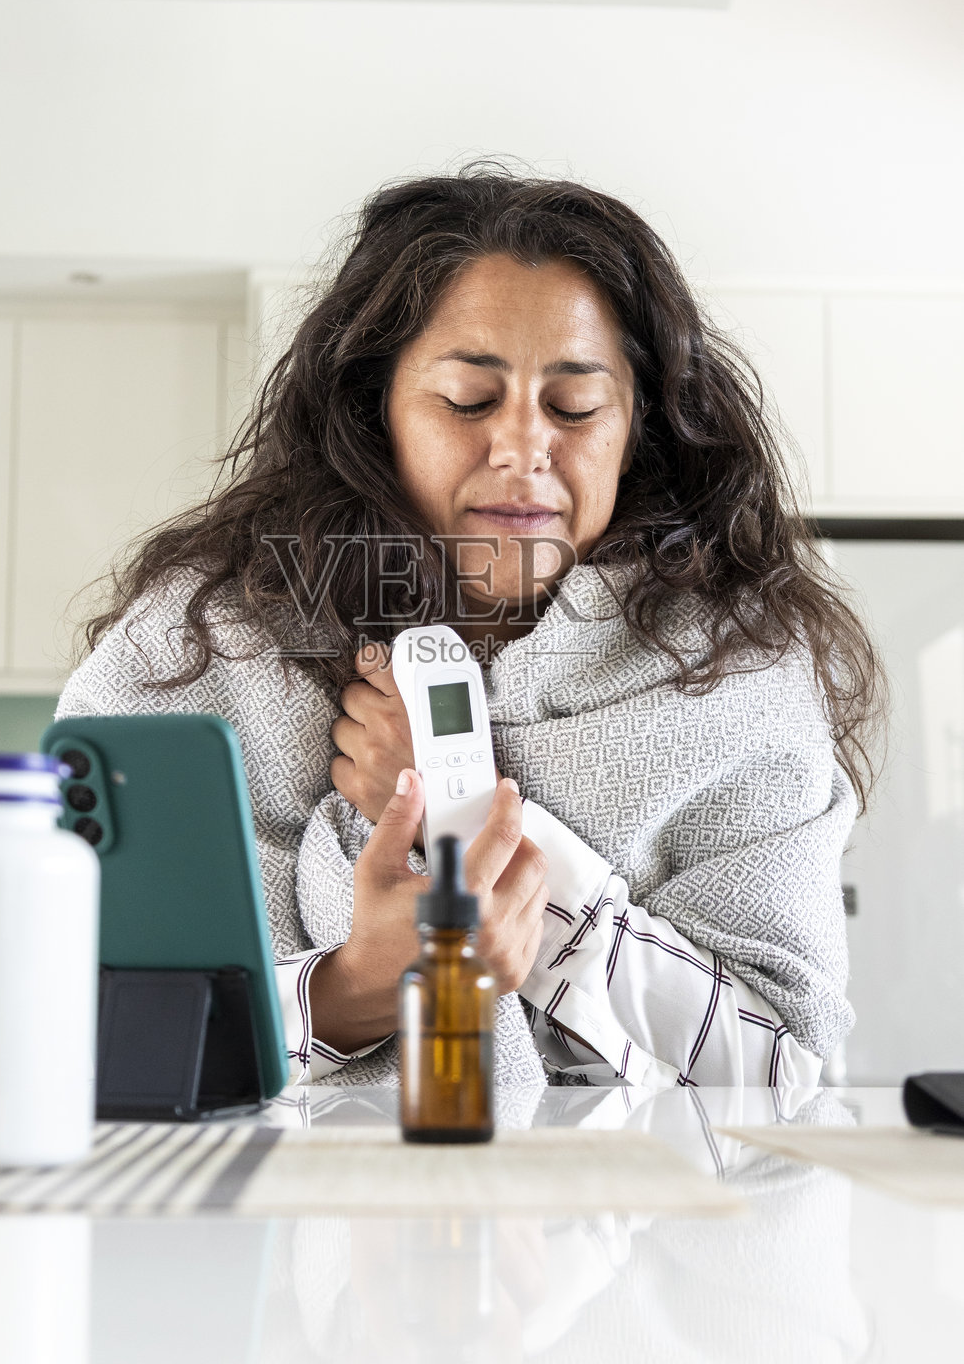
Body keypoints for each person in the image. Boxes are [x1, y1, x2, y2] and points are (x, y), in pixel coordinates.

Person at [56, 168, 883, 1090]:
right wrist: (353, 989)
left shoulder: (741, 677)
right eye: (466, 401)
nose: (523, 447)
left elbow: (784, 1071)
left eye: (574, 408)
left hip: (630, 1230)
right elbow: (73, 1028)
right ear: (376, 415)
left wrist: (472, 818)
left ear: (638, 429)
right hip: (287, 1223)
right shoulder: (198, 647)